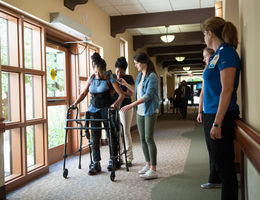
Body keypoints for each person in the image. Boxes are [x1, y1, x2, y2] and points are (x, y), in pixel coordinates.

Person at [201, 16, 241, 200]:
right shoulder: (217, 54)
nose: (204, 38)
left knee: (225, 171)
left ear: (210, 33)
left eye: (204, 34)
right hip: (212, 114)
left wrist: (217, 123)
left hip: (221, 116)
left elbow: (228, 89)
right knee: (220, 166)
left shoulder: (227, 53)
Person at [71, 52, 124, 175]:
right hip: (94, 109)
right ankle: (96, 162)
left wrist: (115, 104)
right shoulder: (92, 78)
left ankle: (113, 159)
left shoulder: (109, 78)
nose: (97, 74)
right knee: (95, 137)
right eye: (96, 72)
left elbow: (121, 95)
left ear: (104, 70)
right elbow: (84, 93)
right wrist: (75, 104)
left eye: (100, 72)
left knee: (111, 134)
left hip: (107, 108)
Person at [121, 52, 159, 180]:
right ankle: (147, 165)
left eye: (137, 63)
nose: (136, 66)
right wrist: (125, 84)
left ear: (143, 63)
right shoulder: (139, 76)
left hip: (150, 111)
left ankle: (154, 169)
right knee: (142, 138)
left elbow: (148, 96)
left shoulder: (152, 76)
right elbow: (136, 91)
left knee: (149, 138)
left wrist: (131, 105)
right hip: (140, 111)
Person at [197, 47, 222, 189]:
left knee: (214, 147)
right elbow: (202, 93)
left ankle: (215, 178)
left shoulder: (215, 70)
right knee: (210, 147)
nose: (204, 59)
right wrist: (200, 111)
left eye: (205, 56)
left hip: (214, 111)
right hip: (207, 112)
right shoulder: (206, 72)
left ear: (212, 57)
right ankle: (214, 177)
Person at [113, 57, 135, 166]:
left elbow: (130, 94)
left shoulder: (128, 78)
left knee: (126, 131)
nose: (119, 74)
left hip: (126, 107)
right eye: (117, 71)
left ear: (124, 71)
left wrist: (120, 91)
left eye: (121, 72)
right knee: (117, 133)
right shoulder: (113, 78)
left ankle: (129, 157)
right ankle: (120, 157)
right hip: (115, 107)